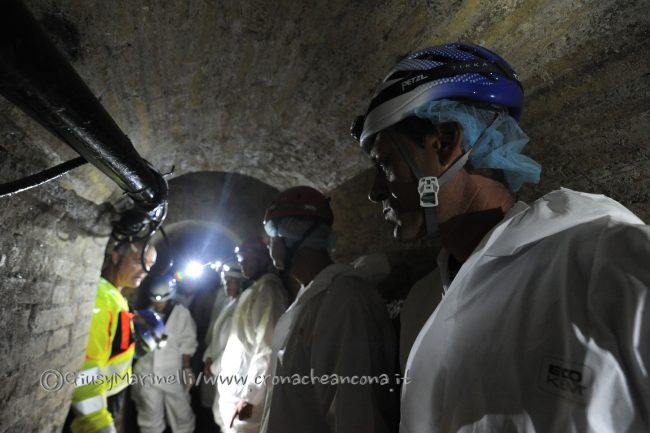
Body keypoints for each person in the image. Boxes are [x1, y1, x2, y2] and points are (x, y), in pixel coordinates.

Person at [352, 42, 650, 432]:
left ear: (445, 143)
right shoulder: (423, 304)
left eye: (385, 162)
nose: (375, 191)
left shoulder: (610, 260)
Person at [260, 186, 399, 433]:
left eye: (271, 236)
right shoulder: (314, 295)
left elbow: (353, 412)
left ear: (291, 236)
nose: (269, 245)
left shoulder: (343, 299)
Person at [67, 239, 156, 433]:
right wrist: (99, 423)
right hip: (89, 411)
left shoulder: (114, 296)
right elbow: (86, 372)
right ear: (115, 256)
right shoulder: (101, 299)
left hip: (106, 396)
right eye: (138, 261)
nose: (144, 270)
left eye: (149, 265)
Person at [217, 237, 287, 433]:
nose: (242, 263)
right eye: (241, 259)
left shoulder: (268, 291)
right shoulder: (255, 290)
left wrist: (250, 397)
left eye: (247, 259)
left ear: (263, 259)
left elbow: (268, 348)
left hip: (247, 398)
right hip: (237, 392)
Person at [131, 274, 198, 433]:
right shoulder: (146, 315)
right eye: (155, 299)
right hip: (147, 372)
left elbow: (187, 343)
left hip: (172, 372)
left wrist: (187, 369)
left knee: (181, 413)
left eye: (162, 299)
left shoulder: (181, 314)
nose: (158, 303)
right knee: (149, 416)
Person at [203, 262, 247, 430]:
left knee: (227, 417)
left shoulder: (241, 307)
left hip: (231, 371)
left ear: (240, 283)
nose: (227, 285)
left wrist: (213, 366)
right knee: (219, 412)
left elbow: (234, 346)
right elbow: (216, 335)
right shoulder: (229, 303)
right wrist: (208, 358)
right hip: (220, 369)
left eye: (231, 281)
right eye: (226, 281)